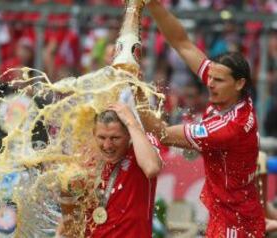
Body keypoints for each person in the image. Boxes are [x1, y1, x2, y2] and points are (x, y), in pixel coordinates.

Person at [143, 1, 265, 237]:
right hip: (231, 215)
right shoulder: (233, 96)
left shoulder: (229, 128)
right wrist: (152, 4)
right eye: (211, 77)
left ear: (240, 83)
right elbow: (182, 43)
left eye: (218, 80)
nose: (209, 83)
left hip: (234, 224)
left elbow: (164, 134)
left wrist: (135, 96)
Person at [58, 102, 163, 238]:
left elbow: (152, 168)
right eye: (101, 137)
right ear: (94, 133)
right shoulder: (86, 158)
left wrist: (132, 123)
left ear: (129, 135)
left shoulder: (142, 145)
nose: (107, 145)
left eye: (115, 138)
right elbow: (74, 212)